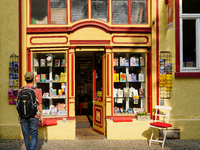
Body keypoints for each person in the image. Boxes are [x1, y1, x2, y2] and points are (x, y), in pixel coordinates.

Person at [18, 72, 43, 150]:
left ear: (25, 80)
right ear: (34, 79)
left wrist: (19, 115)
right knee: (34, 135)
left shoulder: (20, 90)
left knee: (26, 135)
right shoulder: (37, 90)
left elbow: (19, 104)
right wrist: (41, 116)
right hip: (34, 116)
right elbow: (40, 104)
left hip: (23, 116)